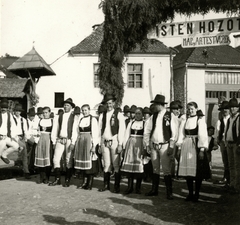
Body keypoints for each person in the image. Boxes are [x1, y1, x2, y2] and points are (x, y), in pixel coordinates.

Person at [144, 94, 178, 200]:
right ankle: (154, 190)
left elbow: (174, 132)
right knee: (155, 169)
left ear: (160, 105)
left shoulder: (170, 115)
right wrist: (147, 145)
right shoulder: (153, 116)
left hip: (164, 145)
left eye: (155, 104)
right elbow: (147, 131)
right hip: (154, 145)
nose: (154, 106)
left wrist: (171, 146)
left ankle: (169, 192)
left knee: (166, 170)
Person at [176, 101, 210, 202]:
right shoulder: (184, 120)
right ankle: (190, 193)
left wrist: (202, 150)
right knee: (188, 172)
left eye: (192, 109)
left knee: (197, 172)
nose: (190, 111)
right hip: (186, 145)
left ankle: (197, 194)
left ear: (196, 109)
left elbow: (203, 136)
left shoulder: (199, 120)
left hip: (196, 146)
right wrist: (179, 148)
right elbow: (181, 134)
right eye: (188, 109)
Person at [98, 94, 126, 193]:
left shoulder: (118, 114)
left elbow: (122, 130)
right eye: (107, 103)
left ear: (113, 103)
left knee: (116, 164)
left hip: (114, 141)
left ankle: (117, 186)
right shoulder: (102, 115)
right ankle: (106, 185)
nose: (109, 105)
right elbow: (99, 130)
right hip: (105, 141)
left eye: (110, 103)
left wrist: (120, 144)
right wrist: (99, 144)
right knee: (106, 164)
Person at [49, 98, 76, 187]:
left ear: (71, 107)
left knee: (68, 160)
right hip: (60, 140)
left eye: (68, 105)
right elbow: (55, 129)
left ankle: (67, 180)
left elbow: (75, 131)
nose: (65, 106)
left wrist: (73, 142)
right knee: (56, 159)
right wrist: (54, 141)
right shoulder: (59, 116)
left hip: (69, 139)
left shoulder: (74, 117)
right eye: (64, 105)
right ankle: (57, 179)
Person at [72, 104, 99, 190]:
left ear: (89, 110)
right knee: (82, 164)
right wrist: (75, 142)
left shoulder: (93, 120)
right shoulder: (81, 119)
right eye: (83, 110)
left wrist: (94, 145)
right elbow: (76, 132)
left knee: (90, 162)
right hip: (81, 142)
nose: (84, 112)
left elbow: (95, 134)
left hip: (88, 142)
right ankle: (83, 182)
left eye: (86, 110)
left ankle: (89, 183)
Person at [121, 107, 145, 194]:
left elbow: (146, 136)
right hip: (131, 145)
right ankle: (129, 187)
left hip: (140, 144)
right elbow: (126, 135)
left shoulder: (144, 123)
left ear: (142, 114)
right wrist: (124, 146)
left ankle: (138, 188)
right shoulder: (131, 123)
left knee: (139, 166)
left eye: (139, 113)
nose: (137, 115)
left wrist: (145, 147)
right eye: (136, 113)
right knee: (130, 167)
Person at [224, 97, 240, 194]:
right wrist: (226, 141)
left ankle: (237, 186)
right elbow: (227, 131)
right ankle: (232, 184)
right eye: (231, 107)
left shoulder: (239, 117)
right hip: (229, 144)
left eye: (234, 107)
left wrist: (239, 145)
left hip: (236, 144)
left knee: (237, 166)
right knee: (231, 165)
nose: (232, 109)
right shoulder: (230, 119)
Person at [34, 106, 53, 184]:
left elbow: (54, 132)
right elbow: (36, 131)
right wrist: (36, 139)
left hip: (48, 140)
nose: (45, 114)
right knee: (40, 158)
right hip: (41, 140)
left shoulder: (52, 121)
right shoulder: (39, 121)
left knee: (47, 159)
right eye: (44, 113)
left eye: (46, 113)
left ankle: (47, 178)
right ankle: (42, 177)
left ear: (49, 113)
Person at [214, 101, 230, 186]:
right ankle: (226, 177)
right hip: (223, 143)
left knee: (232, 161)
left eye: (227, 108)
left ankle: (231, 180)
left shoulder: (232, 119)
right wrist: (218, 142)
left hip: (231, 142)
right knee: (225, 161)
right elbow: (217, 133)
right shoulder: (219, 121)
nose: (225, 110)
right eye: (223, 109)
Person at [13, 104, 31, 179]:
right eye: (16, 111)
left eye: (19, 111)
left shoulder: (23, 120)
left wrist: (26, 139)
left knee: (24, 154)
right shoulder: (11, 119)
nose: (18, 112)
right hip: (13, 137)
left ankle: (26, 171)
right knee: (21, 150)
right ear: (14, 111)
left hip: (21, 137)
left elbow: (26, 130)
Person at [0, 99, 19, 165]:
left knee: (16, 146)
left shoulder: (9, 115)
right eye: (2, 107)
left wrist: (12, 136)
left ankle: (4, 155)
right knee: (2, 143)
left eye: (5, 108)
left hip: (6, 136)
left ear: (7, 108)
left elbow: (13, 126)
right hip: (0, 137)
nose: (3, 109)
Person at [26, 107, 39, 174]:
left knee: (33, 154)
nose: (32, 117)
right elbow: (27, 132)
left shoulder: (35, 122)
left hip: (35, 139)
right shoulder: (26, 122)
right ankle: (28, 168)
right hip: (29, 139)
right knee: (28, 155)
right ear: (28, 115)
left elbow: (37, 130)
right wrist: (30, 138)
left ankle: (32, 167)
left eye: (33, 116)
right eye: (31, 116)